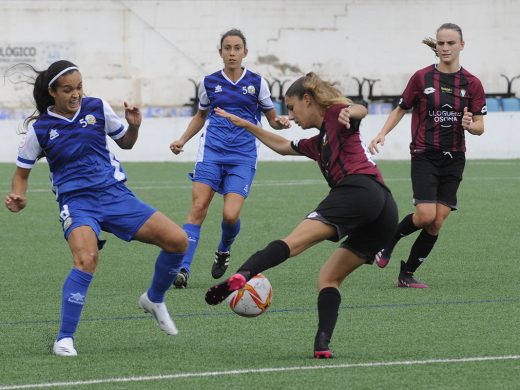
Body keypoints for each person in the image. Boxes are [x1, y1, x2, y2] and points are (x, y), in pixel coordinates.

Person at [204, 72, 398, 359]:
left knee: (292, 242)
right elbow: (284, 147)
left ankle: (242, 275)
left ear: (308, 100)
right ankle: (322, 344)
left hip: (357, 191)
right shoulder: (318, 142)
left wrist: (349, 111)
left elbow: (360, 110)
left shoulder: (335, 115)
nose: (291, 116)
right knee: (328, 279)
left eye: (292, 108)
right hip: (385, 208)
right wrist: (246, 125)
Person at [4, 60, 189, 357]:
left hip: (115, 196)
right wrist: (18, 195)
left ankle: (154, 299)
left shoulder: (97, 107)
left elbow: (126, 144)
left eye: (79, 87)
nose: (76, 94)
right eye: (68, 90)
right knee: (86, 259)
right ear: (53, 92)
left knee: (178, 241)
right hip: (77, 203)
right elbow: (21, 173)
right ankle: (64, 339)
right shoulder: (40, 130)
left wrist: (134, 126)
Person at [365, 23, 485, 288]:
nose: (445, 48)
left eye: (451, 43)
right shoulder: (421, 78)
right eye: (441, 43)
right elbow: (401, 108)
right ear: (437, 46)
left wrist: (469, 125)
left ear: (461, 45)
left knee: (437, 222)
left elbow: (480, 127)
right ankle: (388, 240)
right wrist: (382, 132)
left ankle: (406, 275)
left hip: (455, 157)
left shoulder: (472, 83)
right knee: (424, 216)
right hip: (424, 154)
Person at [169, 28, 290, 288]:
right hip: (211, 152)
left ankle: (224, 249)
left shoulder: (257, 83)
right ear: (220, 52)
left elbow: (271, 120)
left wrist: (280, 122)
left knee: (230, 216)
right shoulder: (209, 82)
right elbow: (201, 116)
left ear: (245, 52)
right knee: (198, 208)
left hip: (243, 155)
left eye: (237, 48)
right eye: (227, 48)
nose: (232, 53)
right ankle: (182, 269)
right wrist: (182, 139)